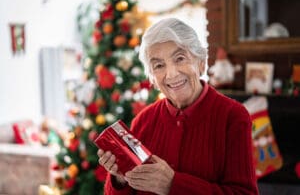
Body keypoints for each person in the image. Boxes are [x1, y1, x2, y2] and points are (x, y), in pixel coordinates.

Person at [97, 18, 258, 195]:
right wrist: (120, 179)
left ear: (201, 63)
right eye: (158, 65)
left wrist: (173, 185)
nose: (171, 74)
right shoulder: (143, 121)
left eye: (180, 58)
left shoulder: (233, 116)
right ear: (152, 78)